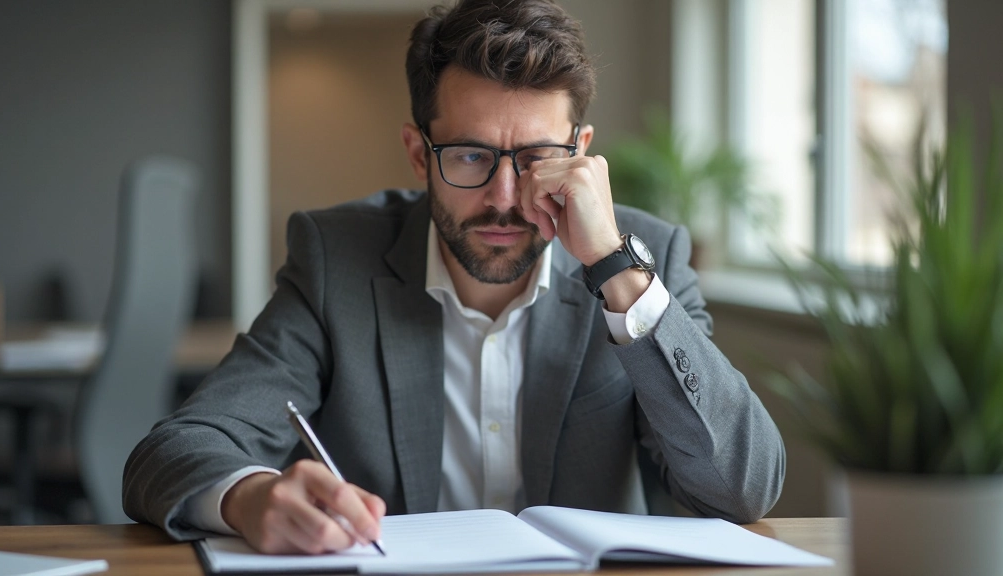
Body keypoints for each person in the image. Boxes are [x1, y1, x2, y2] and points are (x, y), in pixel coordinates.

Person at [123, 0, 785, 554]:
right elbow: (175, 449)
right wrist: (250, 497)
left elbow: (743, 486)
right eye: (470, 155)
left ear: (580, 155)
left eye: (535, 158)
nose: (504, 196)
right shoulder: (336, 259)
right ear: (419, 153)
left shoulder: (649, 259)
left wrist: (615, 266)